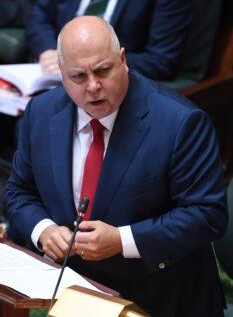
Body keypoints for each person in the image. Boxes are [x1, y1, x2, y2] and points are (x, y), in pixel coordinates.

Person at [5, 16, 228, 317]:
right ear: (61, 74)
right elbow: (19, 191)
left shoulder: (180, 123)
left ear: (122, 59)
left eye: (102, 70)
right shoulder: (41, 112)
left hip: (155, 297)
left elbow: (207, 214)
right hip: (67, 289)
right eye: (79, 77)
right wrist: (43, 230)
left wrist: (122, 240)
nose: (93, 87)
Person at [26, 0, 194, 79]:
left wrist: (93, 64)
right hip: (51, 72)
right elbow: (40, 14)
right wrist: (48, 50)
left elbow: (162, 60)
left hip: (104, 84)